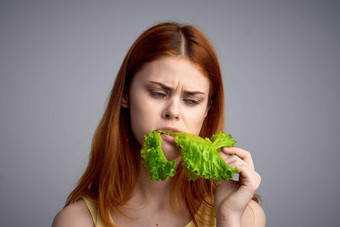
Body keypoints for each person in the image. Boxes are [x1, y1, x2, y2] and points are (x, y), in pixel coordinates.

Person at [52, 22, 265, 227]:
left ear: (208, 109)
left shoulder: (244, 217)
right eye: (157, 93)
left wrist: (228, 218)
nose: (173, 111)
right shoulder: (76, 221)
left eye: (191, 100)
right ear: (125, 95)